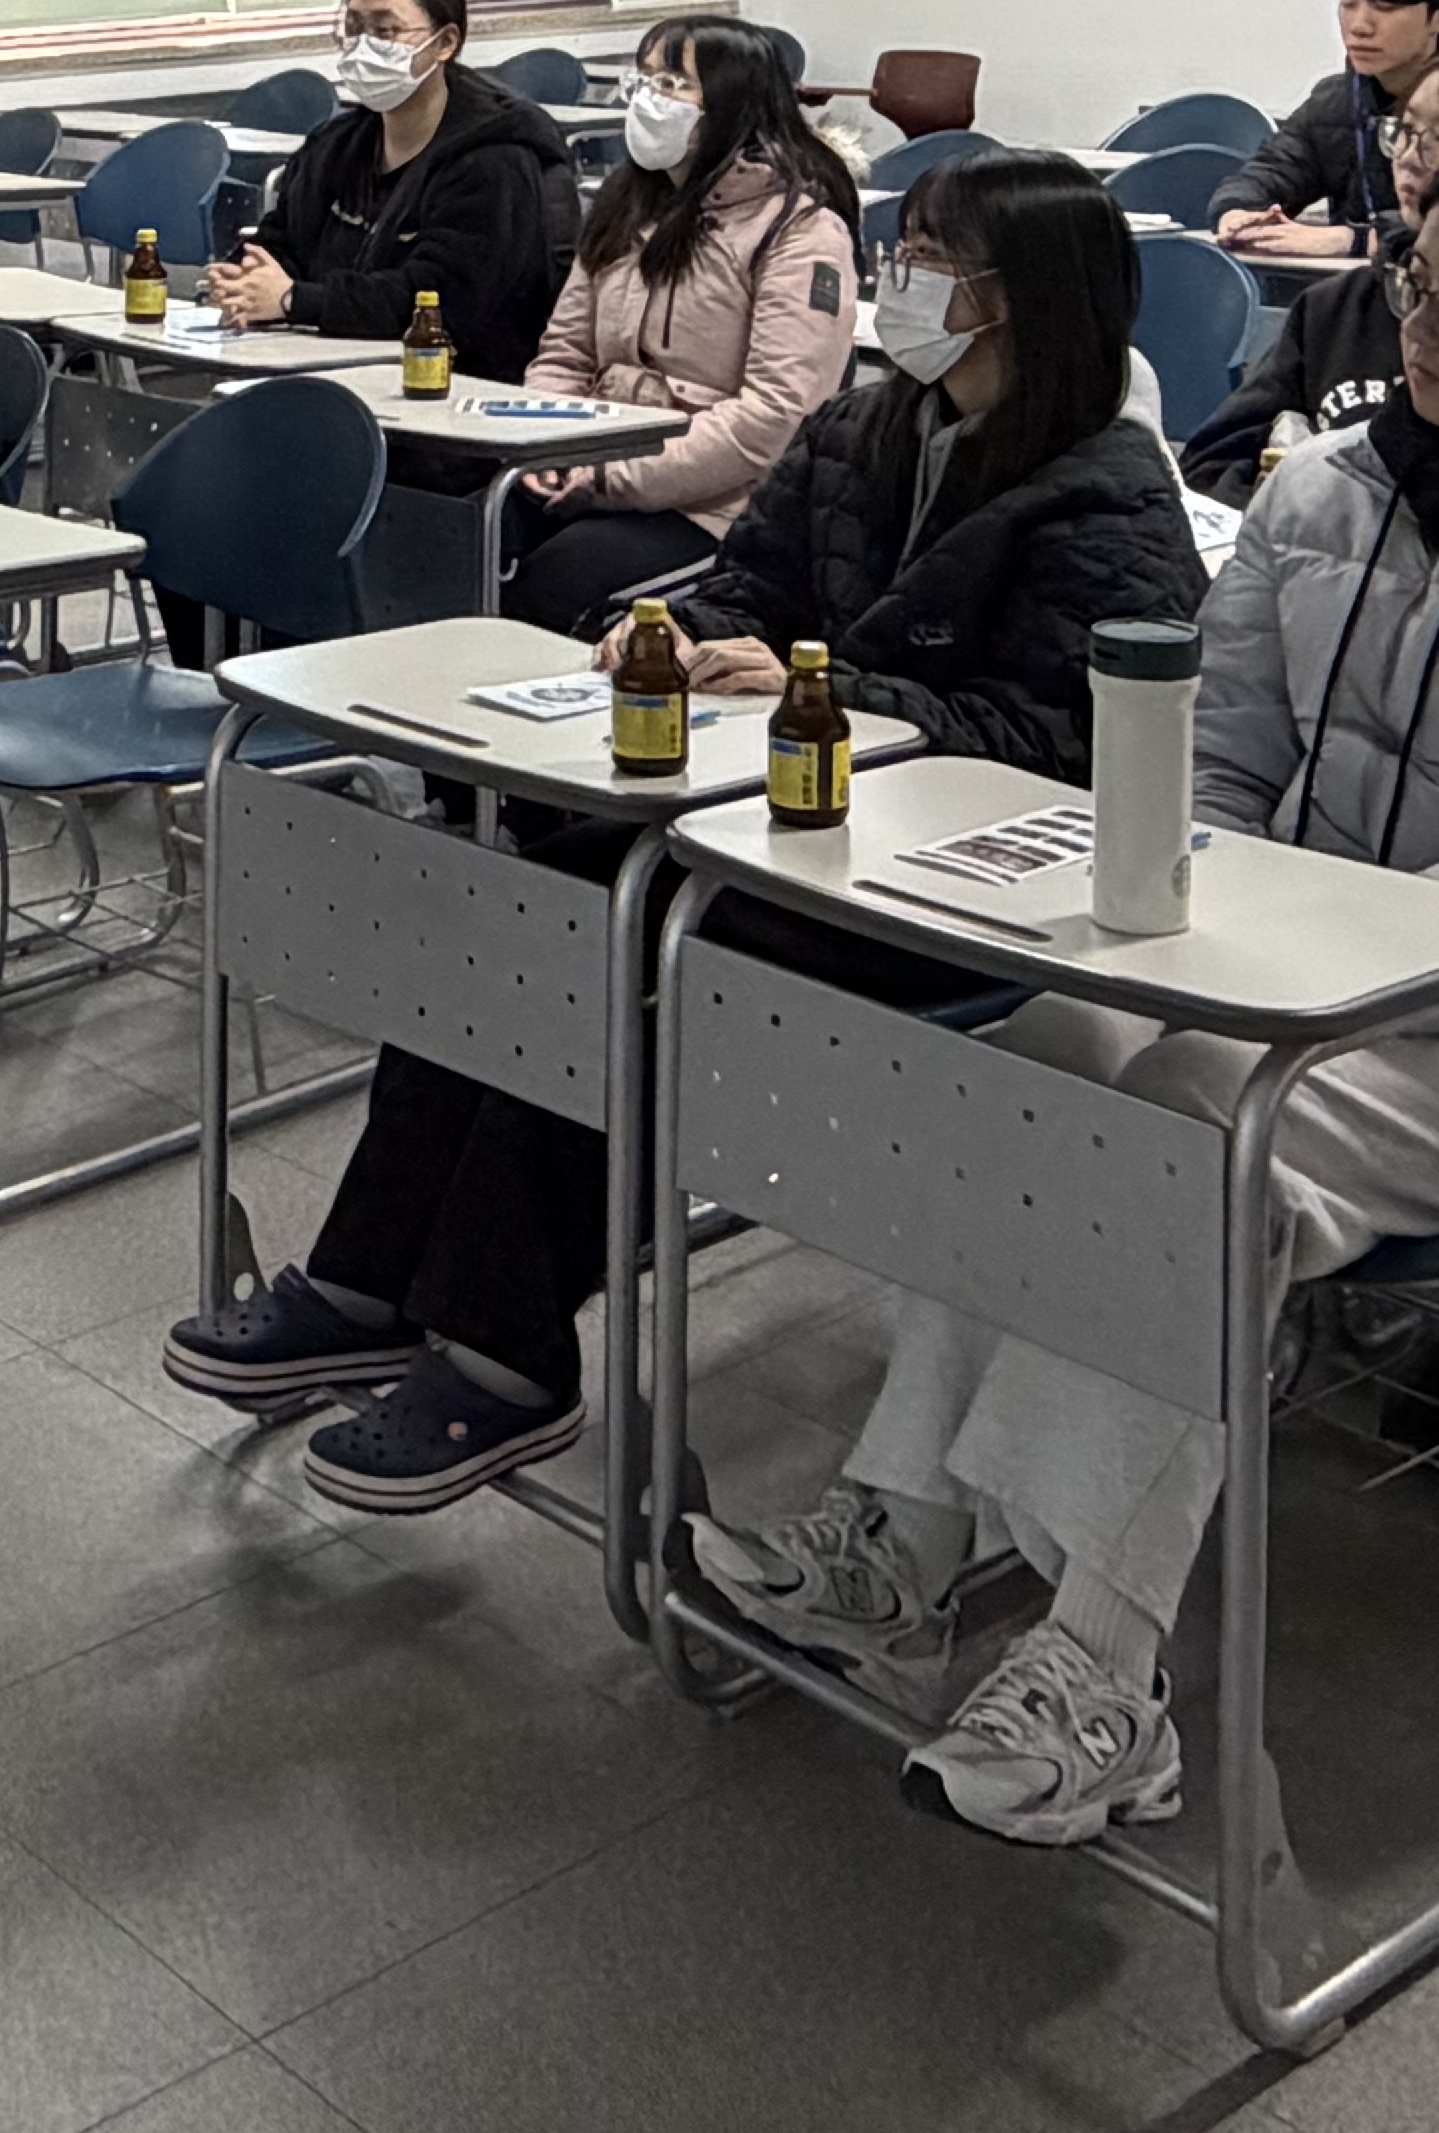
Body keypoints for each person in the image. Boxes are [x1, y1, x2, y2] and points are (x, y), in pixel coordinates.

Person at [691, 128, 1439, 1846]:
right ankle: (902, 1540)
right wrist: (1205, 922)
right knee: (1038, 1062)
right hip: (1289, 987)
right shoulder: (1329, 491)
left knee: (1202, 1142)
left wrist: (1290, 964)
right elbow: (1212, 770)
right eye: (1413, 285)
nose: (1416, 328)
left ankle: (1103, 1671)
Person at [164, 152, 1198, 1513]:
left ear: (1016, 300)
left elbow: (1063, 751)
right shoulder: (866, 428)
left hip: (942, 885)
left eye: (933, 265)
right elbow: (749, 583)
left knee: (621, 973)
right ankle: (365, 1284)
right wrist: (684, 631)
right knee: (505, 925)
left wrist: (829, 690)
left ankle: (506, 1354)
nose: (897, 285)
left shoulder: (1110, 496)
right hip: (781, 820)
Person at [500, 12, 860, 631]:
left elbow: (773, 415)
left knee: (554, 588)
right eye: (642, 80)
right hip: (593, 472)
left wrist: (609, 477)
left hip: (722, 507)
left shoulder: (799, 232)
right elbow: (565, 355)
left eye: (672, 84)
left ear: (731, 104)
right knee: (464, 539)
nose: (648, 98)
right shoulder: (626, 206)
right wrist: (548, 453)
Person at [1180, 32, 1439, 503]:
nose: (1410, 159)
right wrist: (1289, 508)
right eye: (1405, 132)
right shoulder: (1335, 309)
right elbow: (1212, 467)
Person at [211, 0, 579, 382]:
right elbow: (282, 241)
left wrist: (296, 300)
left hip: (456, 379)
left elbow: (439, 298)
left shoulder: (495, 159)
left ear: (445, 43)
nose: (365, 46)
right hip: (330, 361)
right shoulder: (337, 144)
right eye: (354, 29)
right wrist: (243, 280)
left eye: (385, 31)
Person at [1214, 0, 1439, 264]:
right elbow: (1270, 172)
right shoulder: (1336, 100)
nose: (1360, 25)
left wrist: (1356, 240)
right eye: (1348, 3)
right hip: (1358, 290)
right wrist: (1239, 213)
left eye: (1384, 8)